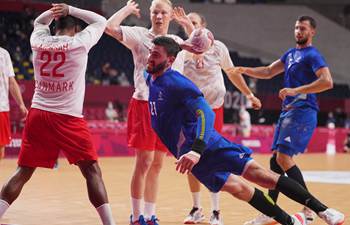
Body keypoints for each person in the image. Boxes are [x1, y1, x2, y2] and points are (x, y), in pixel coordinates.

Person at [146, 35, 345, 225]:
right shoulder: (151, 77)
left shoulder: (177, 83)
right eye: (150, 53)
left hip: (204, 147)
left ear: (170, 60)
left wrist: (196, 150)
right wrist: (183, 46)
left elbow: (207, 113)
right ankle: (290, 221)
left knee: (261, 176)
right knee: (239, 190)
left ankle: (324, 211)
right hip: (188, 155)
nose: (150, 58)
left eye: (156, 55)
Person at [0, 4, 116, 225]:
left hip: (39, 113)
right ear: (75, 30)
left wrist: (54, 12)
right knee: (91, 171)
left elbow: (38, 23)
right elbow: (100, 21)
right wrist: (70, 9)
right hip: (68, 117)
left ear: (54, 28)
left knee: (23, 171)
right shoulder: (79, 43)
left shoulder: (38, 40)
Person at [234, 15, 334, 225]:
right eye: (297, 28)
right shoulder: (290, 54)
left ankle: (308, 207)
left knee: (283, 158)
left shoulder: (312, 54)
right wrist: (244, 70)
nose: (299, 31)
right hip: (288, 112)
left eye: (303, 28)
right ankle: (270, 211)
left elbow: (327, 81)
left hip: (303, 110)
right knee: (275, 161)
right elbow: (269, 71)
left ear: (312, 32)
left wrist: (296, 90)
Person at [105, 1, 192, 224]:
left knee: (157, 164)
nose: (159, 16)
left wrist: (188, 25)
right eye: (155, 11)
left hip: (169, 109)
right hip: (145, 103)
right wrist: (126, 10)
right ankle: (136, 216)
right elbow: (109, 27)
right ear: (150, 14)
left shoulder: (178, 43)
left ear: (170, 15)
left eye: (163, 12)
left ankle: (150, 214)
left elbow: (201, 48)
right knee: (144, 161)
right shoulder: (140, 35)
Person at [172, 9, 261, 225]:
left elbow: (232, 73)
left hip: (213, 111)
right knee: (190, 160)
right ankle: (196, 209)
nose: (189, 25)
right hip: (190, 113)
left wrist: (248, 94)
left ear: (204, 27)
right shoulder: (181, 51)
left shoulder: (218, 47)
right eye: (187, 23)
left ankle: (216, 212)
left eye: (193, 23)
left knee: (214, 160)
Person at [0, 47, 28, 161]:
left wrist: (21, 104)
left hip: (1, 107)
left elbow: (11, 82)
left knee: (0, 148)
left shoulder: (3, 54)